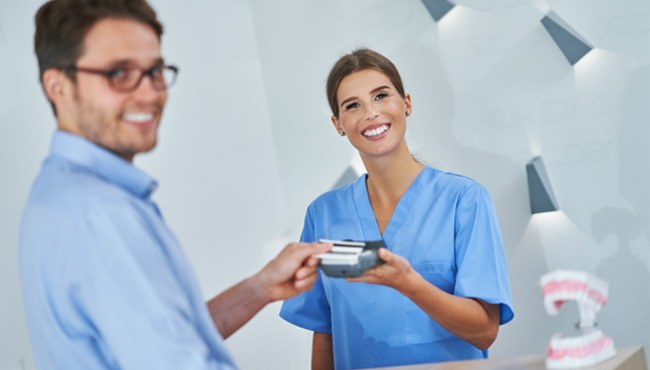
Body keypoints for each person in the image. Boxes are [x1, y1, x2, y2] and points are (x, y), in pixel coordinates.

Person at [19, 1, 330, 369]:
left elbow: (164, 338)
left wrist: (261, 287)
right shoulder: (99, 214)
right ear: (59, 87)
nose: (150, 93)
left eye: (154, 71)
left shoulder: (59, 191)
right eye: (119, 73)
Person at [280, 48, 514, 369]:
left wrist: (408, 283)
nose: (371, 113)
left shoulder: (464, 199)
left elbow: (484, 331)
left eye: (381, 96)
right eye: (353, 105)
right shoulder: (324, 215)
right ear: (338, 123)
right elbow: (326, 330)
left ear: (406, 103)